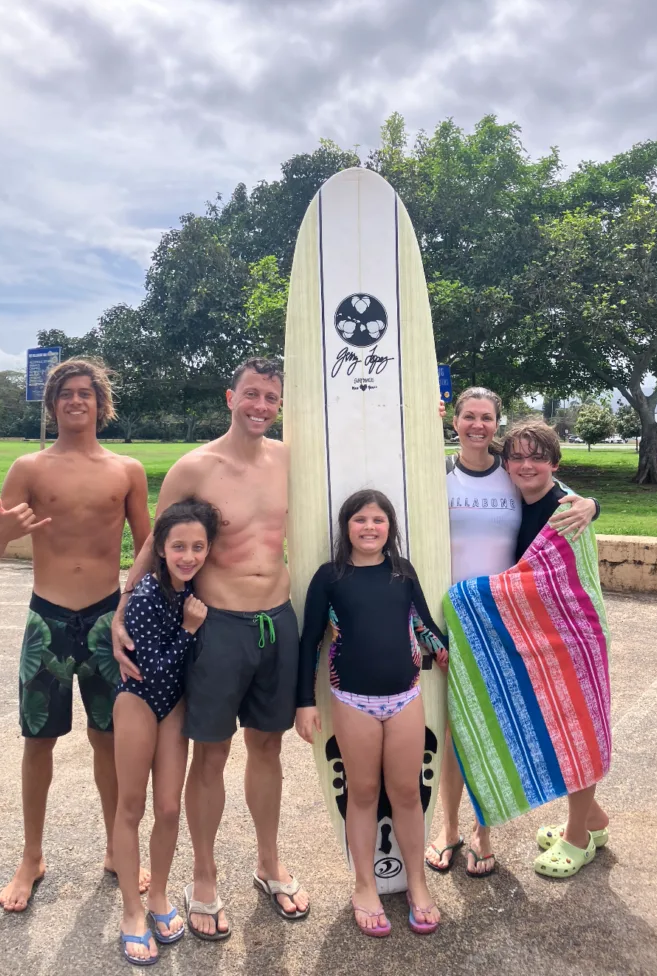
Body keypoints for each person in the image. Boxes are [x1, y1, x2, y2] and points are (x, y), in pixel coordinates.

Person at [111, 357, 309, 939]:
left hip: (278, 620)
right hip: (217, 624)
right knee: (212, 754)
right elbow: (152, 544)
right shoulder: (195, 467)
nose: (261, 407)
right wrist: (123, 611)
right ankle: (204, 873)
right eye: (251, 394)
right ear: (231, 396)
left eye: (271, 398)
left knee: (267, 748)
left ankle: (269, 863)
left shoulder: (292, 460)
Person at [0, 358, 151, 912]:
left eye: (86, 394)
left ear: (102, 403)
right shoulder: (29, 467)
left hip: (106, 621)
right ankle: (31, 856)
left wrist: (131, 608)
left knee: (108, 741)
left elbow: (147, 548)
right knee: (38, 741)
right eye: (66, 395)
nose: (77, 402)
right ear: (52, 406)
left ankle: (115, 848)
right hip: (46, 620)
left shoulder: (127, 470)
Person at [426, 388, 600, 877]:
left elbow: (560, 495)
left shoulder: (508, 475)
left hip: (502, 624)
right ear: (455, 421)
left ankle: (484, 832)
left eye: (487, 418)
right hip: (448, 620)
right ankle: (449, 829)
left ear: (496, 424)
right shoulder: (435, 472)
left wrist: (593, 503)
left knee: (491, 727)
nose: (477, 425)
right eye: (469, 416)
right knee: (453, 729)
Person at [296, 490, 448, 937]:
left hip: (405, 697)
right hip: (351, 701)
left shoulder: (402, 573)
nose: (369, 527)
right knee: (362, 793)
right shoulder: (331, 577)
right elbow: (310, 642)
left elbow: (425, 627)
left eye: (378, 520)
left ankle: (417, 883)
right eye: (359, 519)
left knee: (405, 792)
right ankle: (365, 885)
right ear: (346, 527)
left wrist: (455, 660)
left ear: (390, 527)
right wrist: (304, 701)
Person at [502, 420, 610, 877]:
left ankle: (578, 839)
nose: (527, 465)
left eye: (537, 457)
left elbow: (569, 580)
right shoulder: (512, 502)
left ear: (554, 463)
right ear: (506, 464)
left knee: (575, 734)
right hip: (537, 635)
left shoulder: (565, 507)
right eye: (518, 457)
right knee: (557, 732)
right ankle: (594, 820)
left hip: (571, 635)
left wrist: (591, 503)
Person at [114, 497, 219, 965]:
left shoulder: (192, 587)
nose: (189, 556)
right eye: (179, 547)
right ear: (160, 548)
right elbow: (151, 669)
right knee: (131, 806)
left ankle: (158, 895)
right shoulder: (145, 596)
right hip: (138, 701)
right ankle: (132, 911)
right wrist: (191, 630)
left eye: (198, 547)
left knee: (170, 807)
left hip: (172, 707)